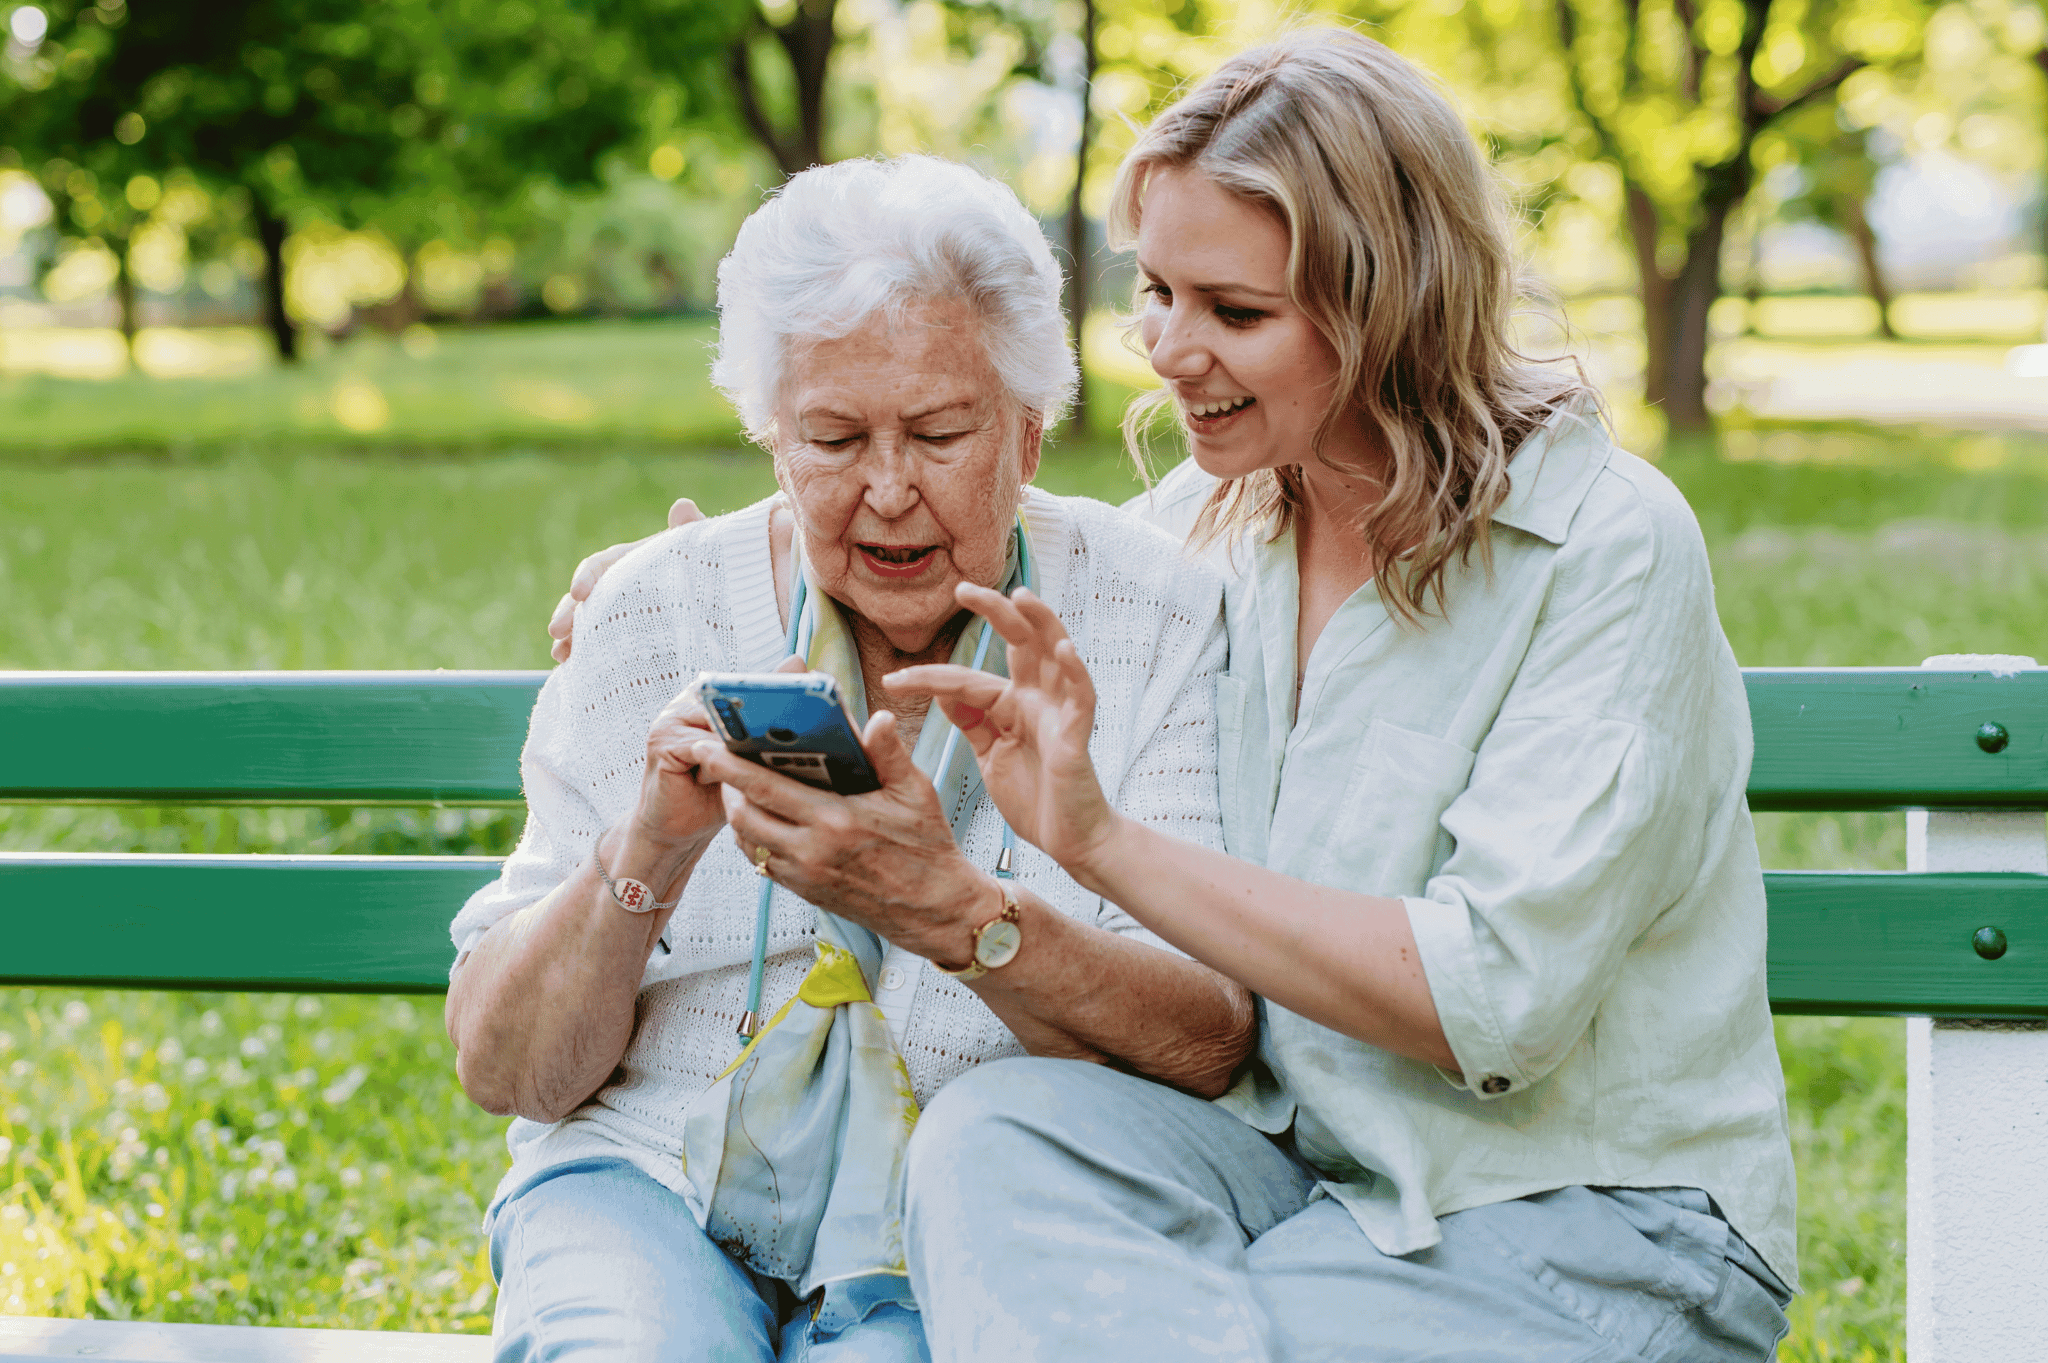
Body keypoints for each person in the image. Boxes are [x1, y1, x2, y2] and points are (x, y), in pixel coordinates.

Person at [556, 29, 1800, 1363]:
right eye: (1154, 293)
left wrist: (1099, 842)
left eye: (1235, 313)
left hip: (1577, 1216)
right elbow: (977, 515)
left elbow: (1493, 1001)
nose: (1168, 350)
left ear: (1389, 305)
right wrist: (675, 574)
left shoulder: (1601, 544)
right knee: (996, 1128)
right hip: (1292, 1191)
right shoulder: (1213, 520)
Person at [446, 153, 1253, 1362]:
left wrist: (961, 915)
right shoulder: (654, 610)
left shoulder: (1150, 619)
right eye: (831, 438)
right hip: (642, 1175)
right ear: (770, 438)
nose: (885, 491)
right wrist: (646, 851)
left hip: (958, 1214)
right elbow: (508, 1070)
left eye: (937, 433)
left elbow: (1209, 1039)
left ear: (1029, 435)